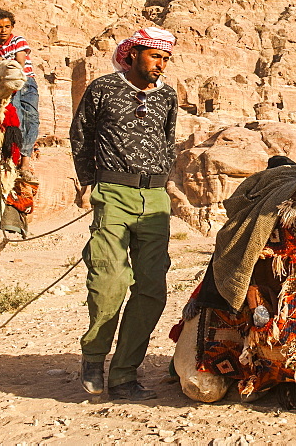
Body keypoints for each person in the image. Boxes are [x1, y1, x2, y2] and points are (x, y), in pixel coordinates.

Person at [70, 26, 178, 401]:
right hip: (113, 192)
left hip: (155, 199)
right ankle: (94, 356)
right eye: (155, 57)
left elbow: (169, 141)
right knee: (108, 280)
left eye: (165, 59)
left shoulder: (168, 96)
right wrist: (87, 181)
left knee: (152, 288)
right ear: (133, 54)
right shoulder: (103, 89)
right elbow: (81, 135)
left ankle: (124, 374)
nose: (160, 65)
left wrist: (165, 182)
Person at [0, 8, 40, 182]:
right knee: (18, 121)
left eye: (7, 26)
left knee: (33, 119)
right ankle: (14, 160)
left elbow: (19, 64)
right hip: (9, 88)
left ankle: (25, 163)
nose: (3, 30)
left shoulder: (18, 41)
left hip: (26, 82)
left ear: (12, 26)